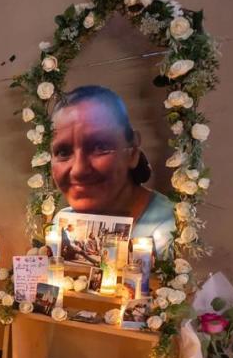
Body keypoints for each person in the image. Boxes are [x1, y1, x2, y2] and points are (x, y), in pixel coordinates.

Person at [49, 85, 175, 254]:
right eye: (63, 152)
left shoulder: (172, 228)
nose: (78, 170)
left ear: (132, 151)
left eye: (99, 146)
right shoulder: (63, 225)